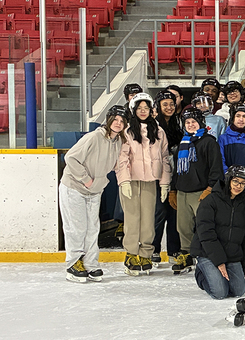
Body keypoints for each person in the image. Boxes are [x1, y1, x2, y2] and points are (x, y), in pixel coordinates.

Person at [61, 106, 128, 283]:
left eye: (122, 121)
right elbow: (71, 158)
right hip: (74, 187)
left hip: (95, 190)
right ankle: (74, 263)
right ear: (109, 120)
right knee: (77, 227)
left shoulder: (119, 141)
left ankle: (90, 263)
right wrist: (85, 179)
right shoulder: (93, 137)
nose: (118, 124)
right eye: (115, 120)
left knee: (92, 228)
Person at [116, 93, 172, 276]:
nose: (143, 111)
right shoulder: (127, 131)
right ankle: (132, 253)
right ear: (133, 109)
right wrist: (123, 180)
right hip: (131, 182)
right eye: (139, 108)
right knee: (132, 219)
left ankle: (146, 253)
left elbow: (164, 158)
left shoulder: (159, 131)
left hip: (150, 182)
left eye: (146, 108)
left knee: (148, 219)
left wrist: (164, 183)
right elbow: (121, 159)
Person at [169, 109, 224, 275]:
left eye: (193, 122)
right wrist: (173, 189)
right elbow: (177, 170)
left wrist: (210, 188)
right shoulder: (182, 144)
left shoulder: (209, 142)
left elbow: (216, 168)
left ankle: (205, 254)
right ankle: (186, 255)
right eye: (187, 122)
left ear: (201, 123)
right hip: (183, 191)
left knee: (204, 226)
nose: (191, 125)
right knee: (183, 227)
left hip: (201, 192)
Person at [191, 165, 245, 299]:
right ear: (228, 180)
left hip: (232, 255)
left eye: (243, 183)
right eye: (235, 181)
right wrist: (219, 262)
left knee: (239, 291)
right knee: (220, 293)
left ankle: (217, 276)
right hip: (207, 253)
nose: (238, 186)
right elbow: (206, 233)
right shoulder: (210, 201)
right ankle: (202, 273)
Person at [153, 91, 183, 265]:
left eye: (171, 104)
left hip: (175, 175)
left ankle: (174, 250)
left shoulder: (177, 124)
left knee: (174, 213)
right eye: (165, 104)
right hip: (157, 176)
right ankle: (154, 249)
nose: (169, 107)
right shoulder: (153, 126)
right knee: (159, 213)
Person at [218, 104, 245, 184]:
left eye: (244, 116)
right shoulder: (223, 139)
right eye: (238, 116)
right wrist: (229, 178)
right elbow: (220, 160)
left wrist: (244, 178)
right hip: (226, 183)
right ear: (232, 118)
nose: (241, 119)